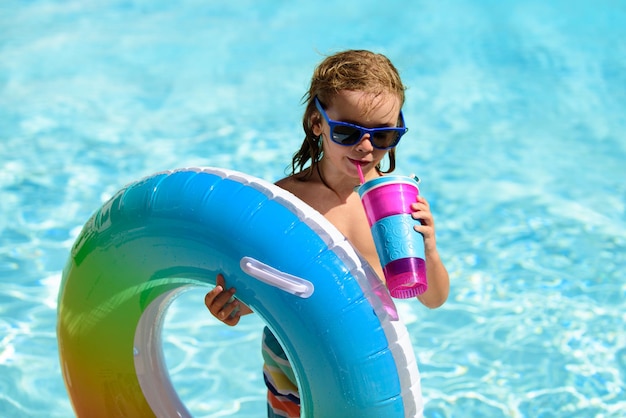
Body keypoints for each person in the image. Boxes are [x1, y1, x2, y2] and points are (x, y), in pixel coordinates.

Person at [204, 49, 450, 417]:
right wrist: (229, 307)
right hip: (291, 358)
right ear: (317, 122)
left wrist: (428, 249)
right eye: (349, 132)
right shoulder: (283, 201)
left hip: (364, 355)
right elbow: (265, 286)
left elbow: (432, 298)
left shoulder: (395, 205)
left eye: (384, 136)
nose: (366, 147)